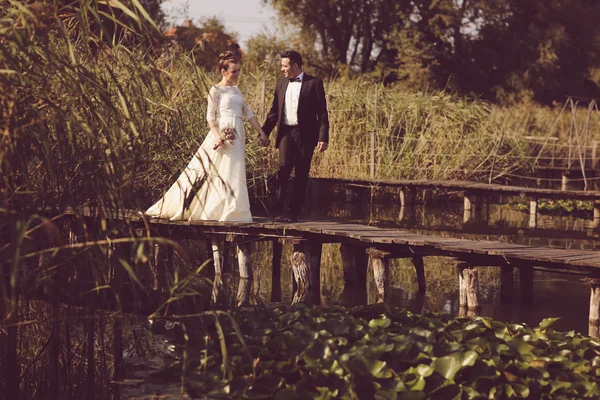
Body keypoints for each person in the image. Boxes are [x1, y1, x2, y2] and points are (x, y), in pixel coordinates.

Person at [145, 51, 269, 222]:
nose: (237, 74)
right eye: (234, 71)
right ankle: (215, 209)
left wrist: (261, 131)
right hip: (225, 130)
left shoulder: (236, 90)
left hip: (238, 131)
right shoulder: (216, 90)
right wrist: (217, 136)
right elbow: (210, 117)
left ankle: (235, 210)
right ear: (223, 72)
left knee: (236, 168)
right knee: (221, 169)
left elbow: (248, 113)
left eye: (238, 70)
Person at [261, 49, 329, 222]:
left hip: (306, 135)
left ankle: (294, 212)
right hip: (286, 133)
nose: (282, 69)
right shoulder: (281, 84)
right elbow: (274, 112)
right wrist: (264, 133)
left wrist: (323, 137)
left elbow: (322, 114)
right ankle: (279, 209)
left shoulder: (314, 83)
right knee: (283, 169)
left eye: (285, 66)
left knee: (301, 173)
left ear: (295, 65)